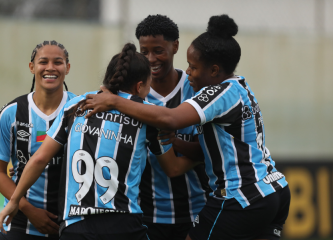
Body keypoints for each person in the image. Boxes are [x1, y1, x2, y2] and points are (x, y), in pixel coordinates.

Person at [83, 15, 291, 240]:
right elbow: (212, 149)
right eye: (145, 51)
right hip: (274, 188)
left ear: (213, 70)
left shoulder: (216, 92)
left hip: (239, 193)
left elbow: (171, 119)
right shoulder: (240, 86)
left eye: (193, 66)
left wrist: (114, 101)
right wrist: (176, 141)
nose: (189, 71)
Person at [0, 43, 200, 240]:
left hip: (74, 225)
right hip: (123, 224)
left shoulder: (76, 105)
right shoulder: (148, 116)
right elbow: (173, 168)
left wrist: (15, 201)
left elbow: (40, 158)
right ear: (140, 86)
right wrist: (203, 157)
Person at [0, 40, 77, 240]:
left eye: (58, 62)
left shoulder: (80, 110)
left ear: (67, 68)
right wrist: (28, 209)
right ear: (32, 67)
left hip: (68, 224)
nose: (50, 68)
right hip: (20, 223)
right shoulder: (11, 113)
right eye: (43, 61)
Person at [135, 14, 209, 240]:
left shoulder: (197, 88)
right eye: (144, 51)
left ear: (175, 46)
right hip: (148, 214)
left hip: (197, 209)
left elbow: (211, 149)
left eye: (158, 50)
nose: (150, 59)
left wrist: (174, 140)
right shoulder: (134, 95)